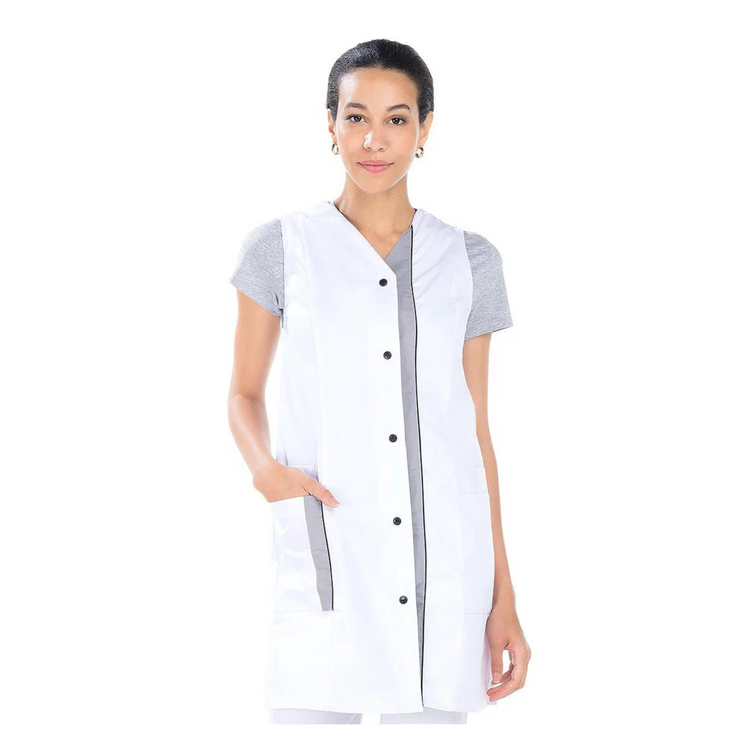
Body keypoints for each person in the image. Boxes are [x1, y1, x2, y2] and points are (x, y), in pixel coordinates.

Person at [227, 38, 531, 725]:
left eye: (397, 119)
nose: (374, 139)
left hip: (445, 577)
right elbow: (243, 392)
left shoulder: (471, 259)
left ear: (425, 128)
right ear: (329, 123)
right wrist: (264, 471)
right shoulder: (281, 248)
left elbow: (474, 430)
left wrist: (502, 595)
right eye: (356, 116)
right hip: (331, 547)